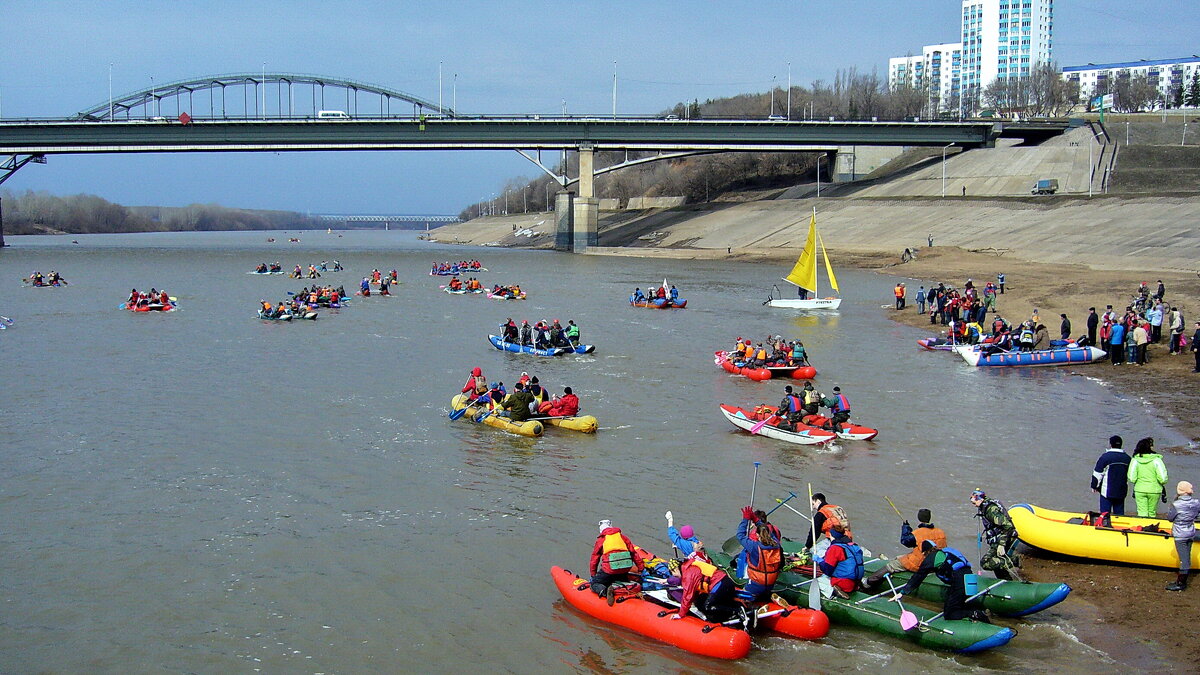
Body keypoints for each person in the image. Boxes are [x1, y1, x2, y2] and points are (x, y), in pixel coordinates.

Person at [891, 540, 984, 621]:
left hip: (960, 581)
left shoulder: (931, 558)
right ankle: (975, 613)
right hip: (970, 578)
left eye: (924, 554)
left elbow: (918, 576)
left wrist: (902, 592)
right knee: (960, 603)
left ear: (927, 551)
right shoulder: (946, 551)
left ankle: (974, 614)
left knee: (949, 614)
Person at [865, 508, 948, 589]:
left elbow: (905, 541)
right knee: (899, 557)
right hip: (935, 563)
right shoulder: (941, 532)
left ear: (919, 518)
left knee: (892, 565)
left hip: (920, 563)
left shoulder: (918, 533)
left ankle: (868, 582)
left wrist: (906, 528)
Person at [673, 544, 737, 621]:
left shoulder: (688, 575)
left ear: (676, 569)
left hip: (721, 584)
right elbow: (694, 591)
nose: (674, 576)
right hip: (723, 582)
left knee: (708, 607)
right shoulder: (689, 566)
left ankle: (736, 612)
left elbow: (687, 596)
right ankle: (719, 617)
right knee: (699, 601)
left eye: (673, 573)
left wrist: (680, 614)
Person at [590, 519, 644, 603]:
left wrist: (593, 575)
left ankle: (605, 591)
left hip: (610, 570)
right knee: (619, 578)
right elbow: (634, 554)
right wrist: (641, 568)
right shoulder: (623, 537)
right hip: (625, 568)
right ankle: (625, 589)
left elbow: (595, 559)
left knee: (594, 584)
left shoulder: (601, 540)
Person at [970, 489, 1021, 579]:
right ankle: (1006, 583)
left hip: (1004, 537)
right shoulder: (984, 506)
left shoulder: (990, 510)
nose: (974, 506)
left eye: (974, 503)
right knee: (998, 568)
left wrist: (1001, 544)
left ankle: (1015, 561)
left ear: (980, 499)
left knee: (986, 562)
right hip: (998, 538)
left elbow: (1008, 526)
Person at [736, 506, 783, 601]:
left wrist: (745, 519)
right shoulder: (776, 544)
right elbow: (769, 533)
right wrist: (756, 520)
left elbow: (740, 535)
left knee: (739, 600)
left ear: (757, 535)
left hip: (756, 585)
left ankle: (747, 604)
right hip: (770, 584)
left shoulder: (754, 547)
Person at [1166, 481, 1199, 591]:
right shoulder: (1196, 502)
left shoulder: (1176, 504)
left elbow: (1170, 518)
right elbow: (1197, 514)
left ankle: (1181, 583)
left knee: (1183, 559)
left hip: (1180, 534)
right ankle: (1181, 581)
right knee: (1187, 557)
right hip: (1191, 531)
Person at [815, 524, 863, 599]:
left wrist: (819, 561)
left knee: (818, 581)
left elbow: (827, 570)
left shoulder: (835, 548)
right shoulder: (853, 546)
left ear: (831, 535)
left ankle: (834, 591)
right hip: (856, 583)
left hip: (844, 583)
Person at [1127, 437, 1168, 518]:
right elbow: (1163, 478)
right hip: (1154, 490)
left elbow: (1132, 478)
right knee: (1152, 513)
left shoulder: (1135, 460)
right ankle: (1150, 528)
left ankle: (1142, 528)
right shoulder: (1157, 460)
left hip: (1140, 489)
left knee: (1142, 513)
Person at [1091, 435, 1131, 515]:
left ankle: (1105, 525)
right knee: (1119, 513)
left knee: (1105, 514)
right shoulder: (1127, 458)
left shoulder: (1105, 457)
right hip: (1121, 490)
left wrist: (1094, 485)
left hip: (1107, 491)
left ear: (1110, 444)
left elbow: (1098, 473)